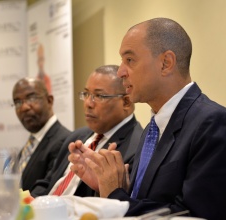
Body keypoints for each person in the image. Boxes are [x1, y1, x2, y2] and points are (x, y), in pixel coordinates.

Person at [68, 18, 226, 220]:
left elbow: (194, 216)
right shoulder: (153, 129)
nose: (120, 72)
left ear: (165, 63)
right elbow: (149, 199)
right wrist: (110, 183)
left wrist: (115, 197)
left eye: (129, 60)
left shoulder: (214, 124)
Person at [30, 64, 143, 197]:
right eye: (86, 94)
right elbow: (49, 182)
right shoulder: (76, 136)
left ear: (126, 102)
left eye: (99, 96)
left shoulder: (137, 148)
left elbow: (119, 204)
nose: (88, 103)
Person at [12, 77, 70, 191]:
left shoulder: (64, 141)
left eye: (31, 98)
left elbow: (48, 191)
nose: (24, 107)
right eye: (18, 102)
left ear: (49, 101)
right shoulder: (31, 142)